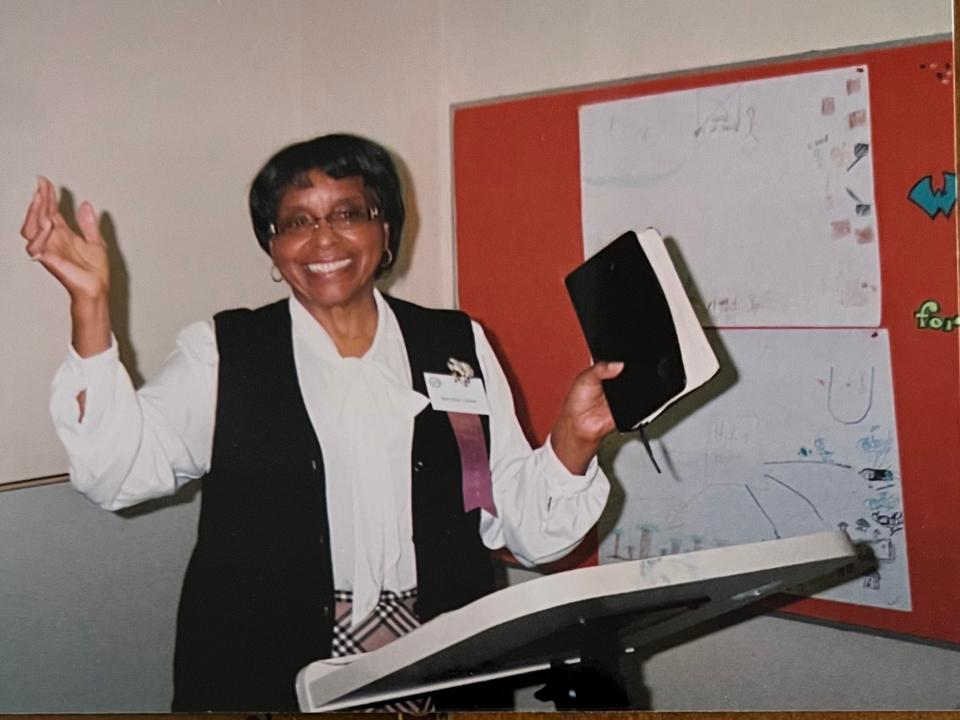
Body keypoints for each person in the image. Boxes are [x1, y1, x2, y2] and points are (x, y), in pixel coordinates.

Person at [20, 134, 622, 712]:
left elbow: (520, 529)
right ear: (273, 249)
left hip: (444, 659)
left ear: (385, 231)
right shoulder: (226, 352)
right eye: (297, 221)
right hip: (263, 667)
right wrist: (91, 305)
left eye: (347, 212)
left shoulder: (455, 343)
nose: (323, 239)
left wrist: (573, 441)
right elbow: (114, 476)